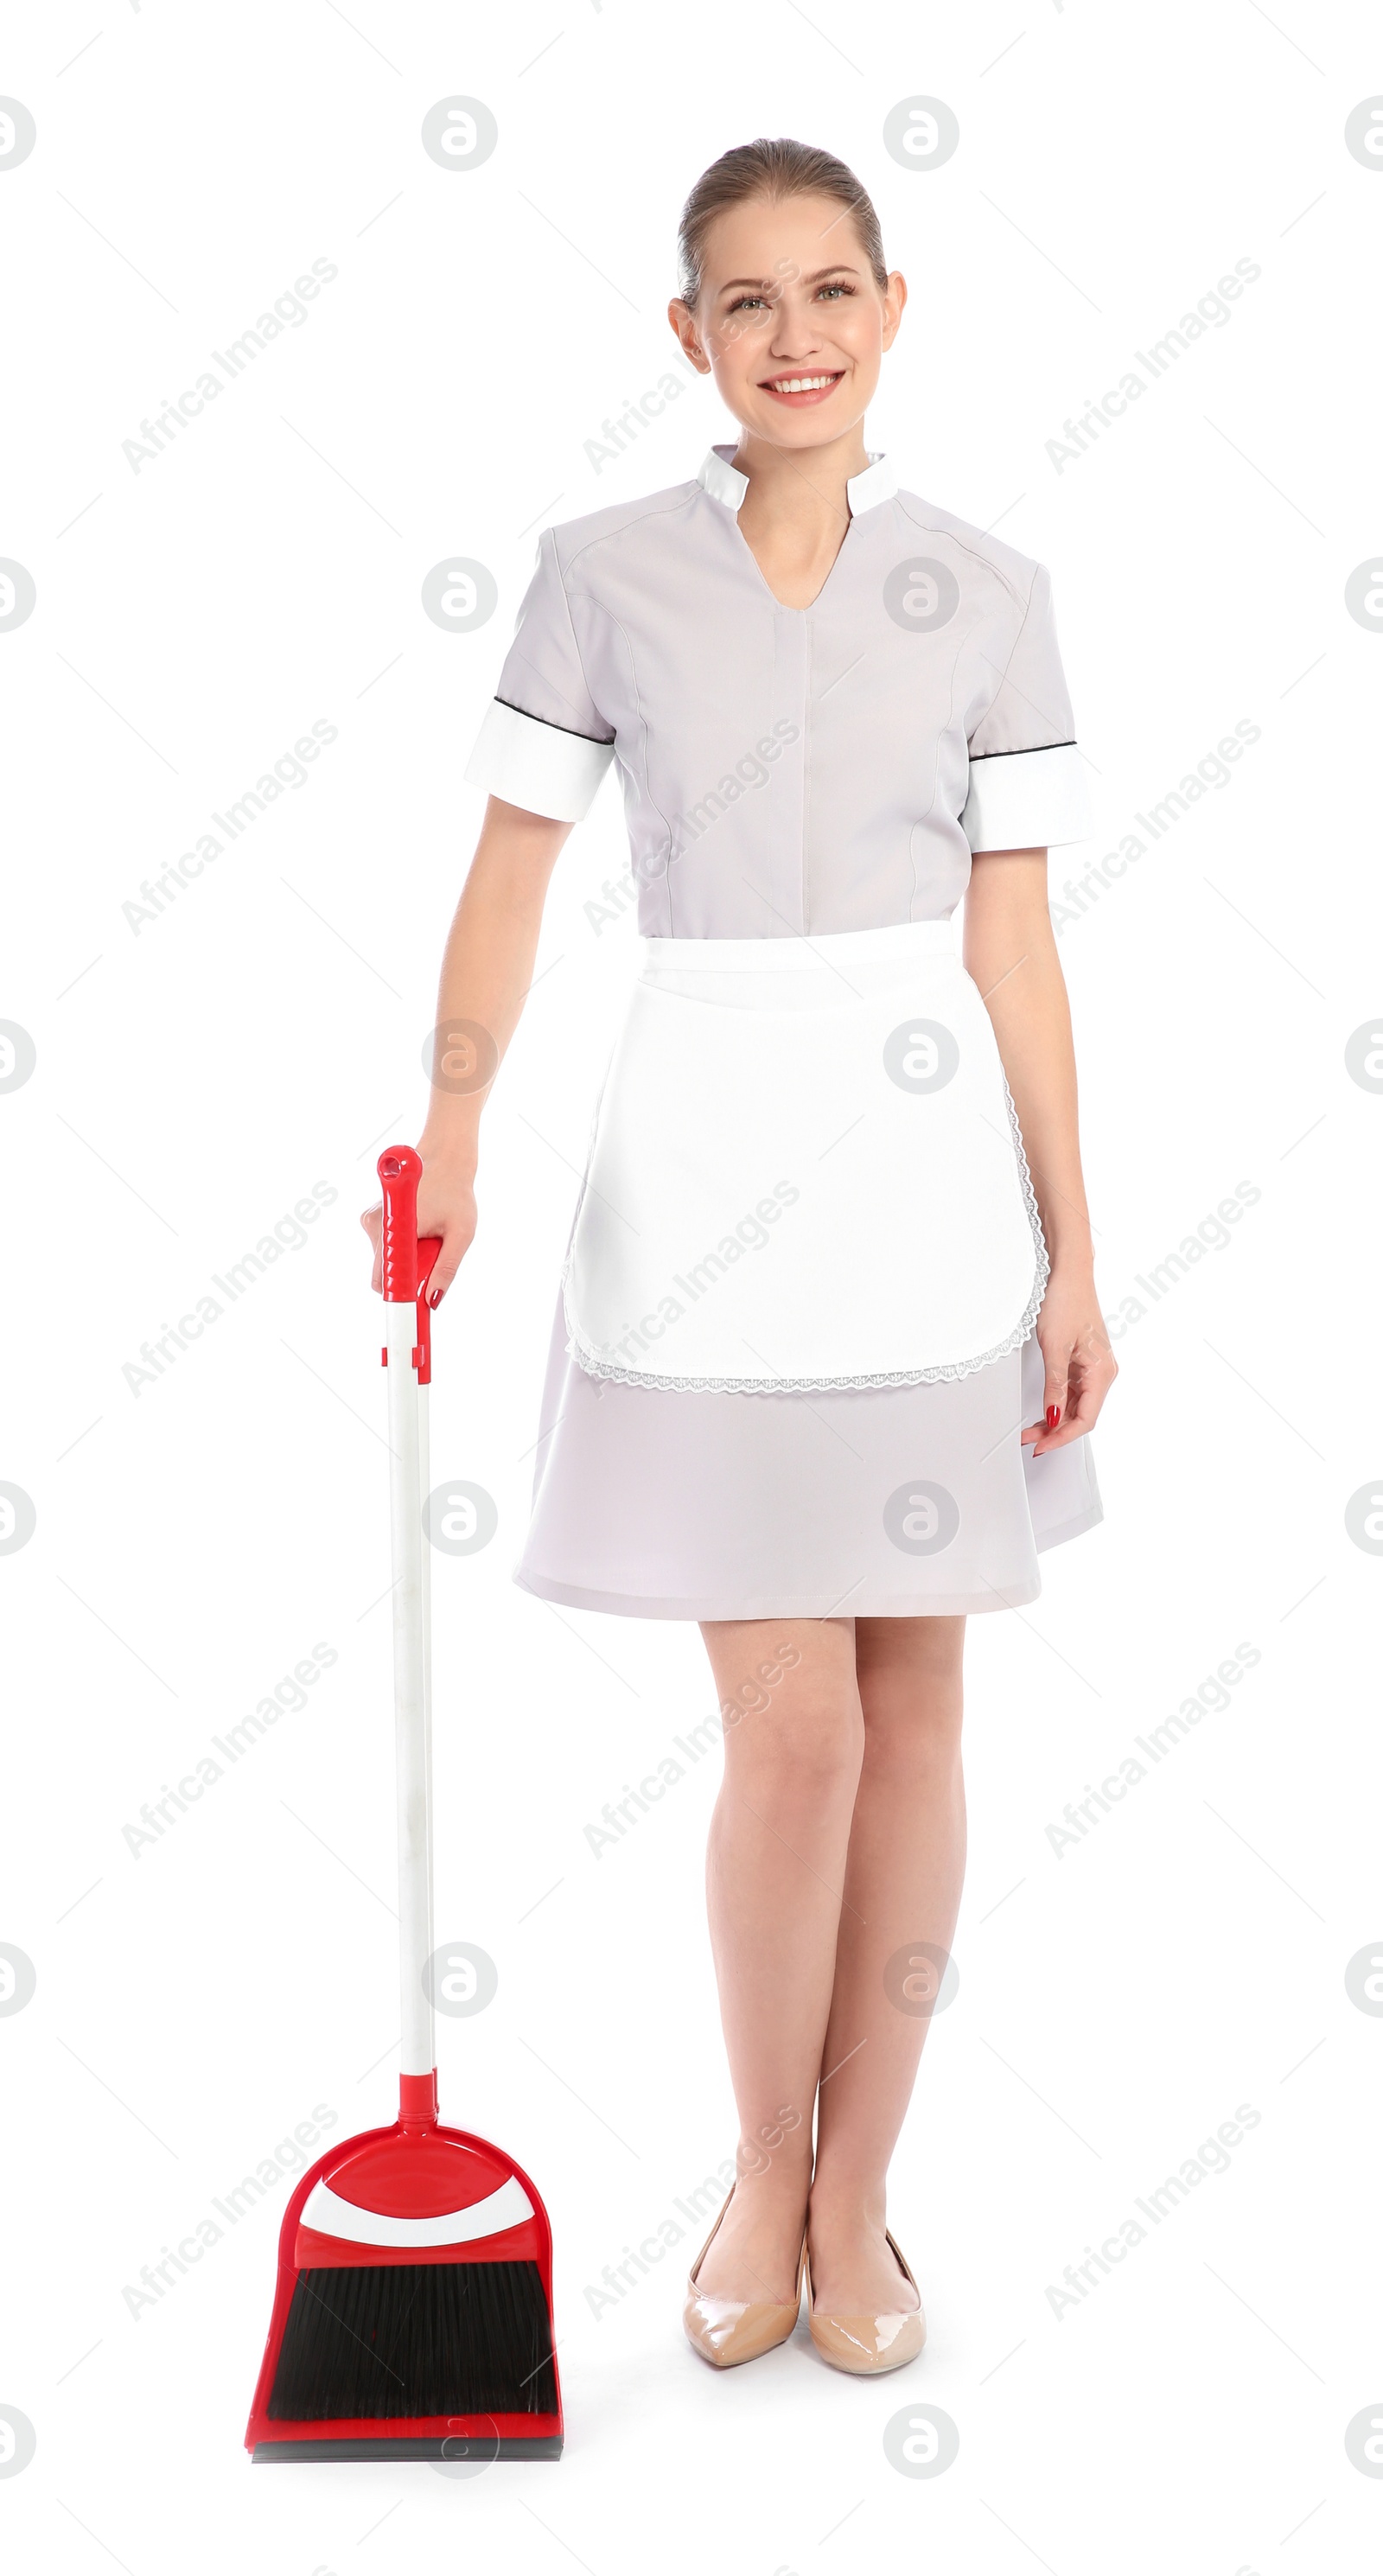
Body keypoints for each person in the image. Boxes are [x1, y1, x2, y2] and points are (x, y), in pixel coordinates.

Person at [362, 136, 1117, 2378]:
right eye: (747, 302)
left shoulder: (989, 590)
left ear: (896, 311)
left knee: (916, 1711)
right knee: (785, 1733)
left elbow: (1022, 946)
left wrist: (1080, 1250)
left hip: (927, 1200)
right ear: (687, 340)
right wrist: (458, 1128)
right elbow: (507, 869)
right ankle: (759, 2168)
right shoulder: (600, 577)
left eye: (831, 291)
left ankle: (864, 2187)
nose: (796, 335)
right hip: (696, 1192)